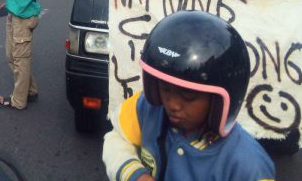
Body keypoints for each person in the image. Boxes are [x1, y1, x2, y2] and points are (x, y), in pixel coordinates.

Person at [103, 11, 275, 181]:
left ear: (218, 102)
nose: (172, 104)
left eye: (188, 96)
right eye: (165, 88)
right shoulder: (147, 109)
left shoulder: (247, 164)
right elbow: (117, 138)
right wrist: (135, 174)